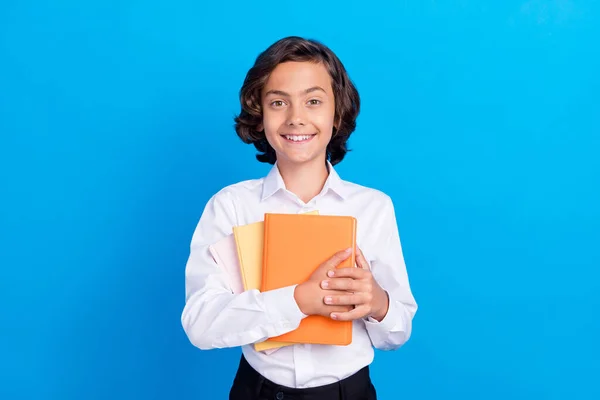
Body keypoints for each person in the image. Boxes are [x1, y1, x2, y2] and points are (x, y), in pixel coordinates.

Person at [181, 36, 418, 400]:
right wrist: (299, 300)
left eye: (313, 101)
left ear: (337, 114)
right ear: (259, 115)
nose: (296, 118)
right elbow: (201, 324)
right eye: (278, 102)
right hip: (257, 390)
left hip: (348, 392)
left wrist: (378, 303)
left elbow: (397, 333)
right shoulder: (231, 206)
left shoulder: (374, 207)